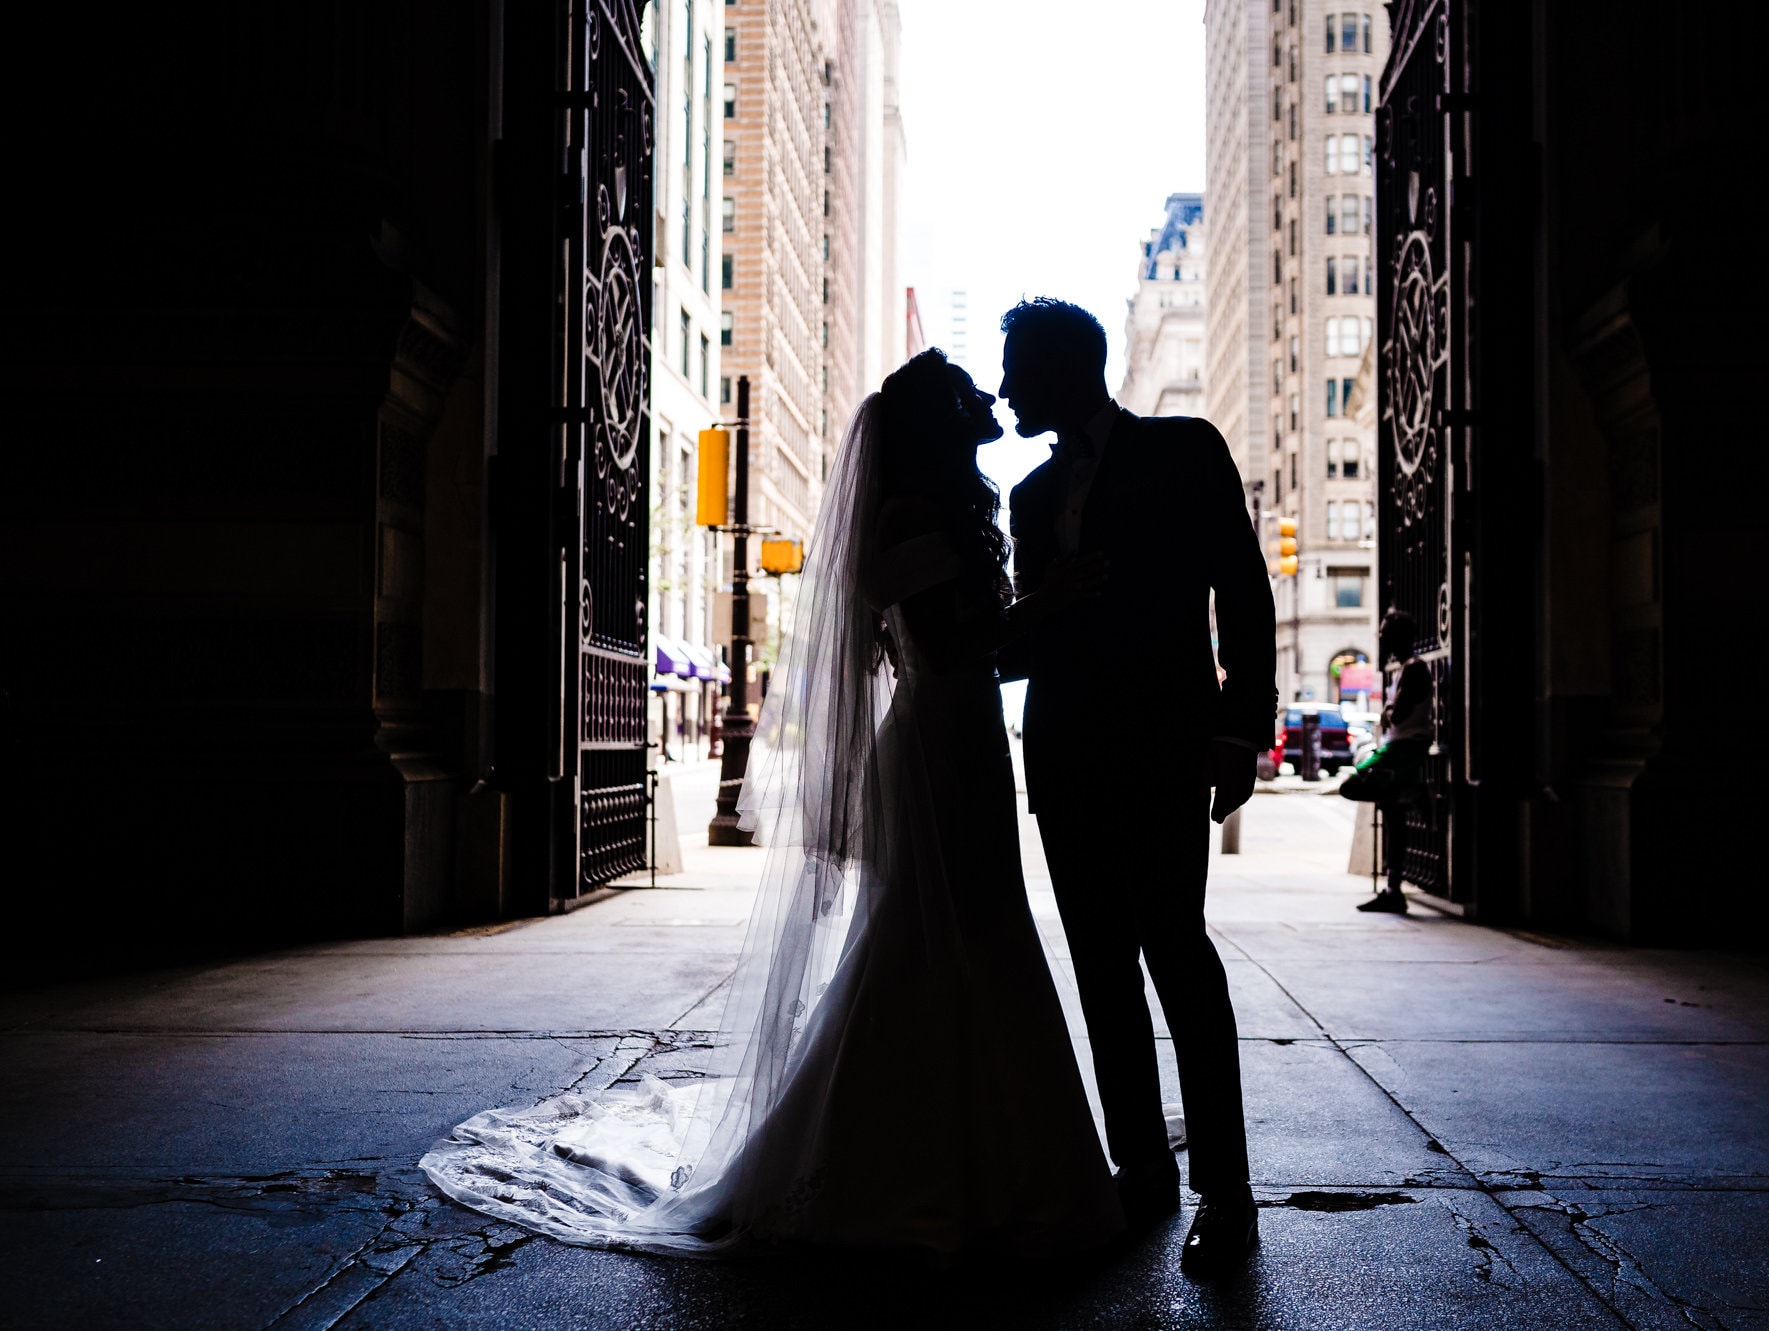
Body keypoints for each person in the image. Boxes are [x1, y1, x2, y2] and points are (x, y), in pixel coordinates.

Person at [421, 350, 1122, 1259]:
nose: (987, 398)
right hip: (940, 749)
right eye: (967, 394)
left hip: (964, 743)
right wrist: (1047, 601)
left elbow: (970, 646)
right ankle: (910, 1152)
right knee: (936, 932)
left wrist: (1035, 614)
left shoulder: (944, 509)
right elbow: (953, 649)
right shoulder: (914, 513)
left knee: (960, 931)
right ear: (938, 426)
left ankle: (968, 1145)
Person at [998, 298, 1277, 1277]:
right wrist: (1035, 608)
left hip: (1163, 748)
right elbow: (1016, 649)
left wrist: (1241, 725)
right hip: (1064, 758)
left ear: (1068, 367)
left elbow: (1242, 589)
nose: (1003, 390)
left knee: (1178, 956)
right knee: (1100, 970)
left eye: (1016, 371)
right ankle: (1141, 1170)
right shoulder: (1028, 499)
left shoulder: (1183, 450)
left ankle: (1227, 1194)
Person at [1339, 609, 1433, 914]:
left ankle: (1411, 791)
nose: (1382, 639)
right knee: (1394, 818)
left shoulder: (1415, 669)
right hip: (1397, 747)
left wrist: (1388, 712)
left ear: (1398, 636)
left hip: (1404, 748)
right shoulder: (1404, 669)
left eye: (1385, 633)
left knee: (1353, 783)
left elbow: (1399, 714)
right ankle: (1393, 889)